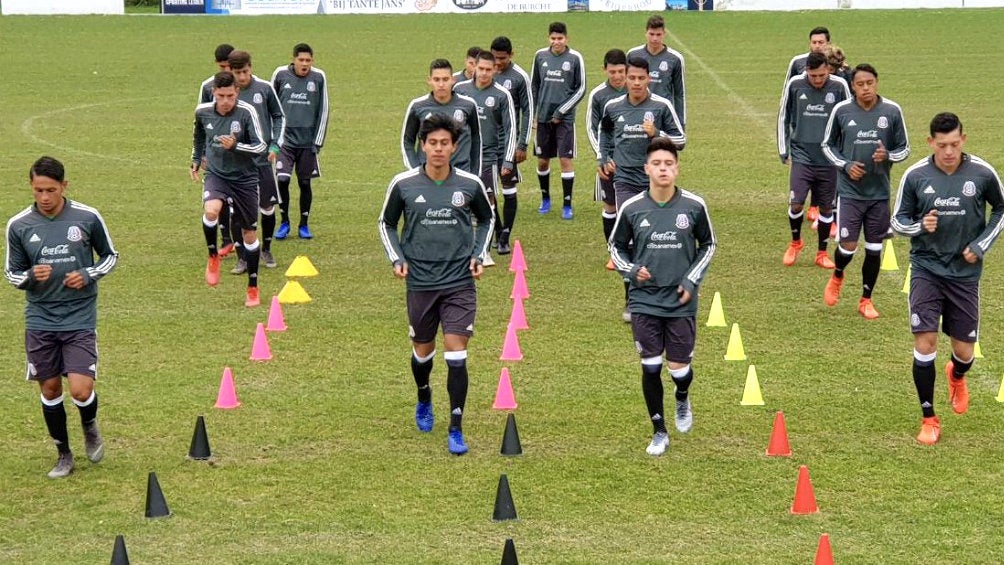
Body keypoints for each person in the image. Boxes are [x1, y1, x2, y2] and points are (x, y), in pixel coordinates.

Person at [378, 114, 494, 456]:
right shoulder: (404, 184)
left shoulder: (470, 185)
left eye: (445, 143)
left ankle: (456, 427)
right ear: (423, 147)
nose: (439, 149)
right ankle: (424, 395)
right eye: (433, 143)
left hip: (459, 282)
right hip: (421, 283)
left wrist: (478, 253)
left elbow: (487, 219)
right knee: (422, 352)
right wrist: (397, 258)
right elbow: (386, 224)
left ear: (454, 147)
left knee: (457, 353)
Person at [891, 112, 1004, 445]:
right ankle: (929, 417)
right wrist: (918, 226)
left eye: (955, 144)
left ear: (963, 140)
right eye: (943, 145)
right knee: (925, 342)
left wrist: (981, 244)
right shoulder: (916, 176)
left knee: (965, 351)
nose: (950, 151)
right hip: (926, 268)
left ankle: (957, 375)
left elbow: (1001, 209)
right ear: (931, 143)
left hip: (965, 274)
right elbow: (898, 221)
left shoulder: (982, 174)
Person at [5, 156, 118, 478]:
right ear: (31, 186)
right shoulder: (19, 225)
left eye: (51, 190)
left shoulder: (87, 217)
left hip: (79, 317)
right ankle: (63, 453)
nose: (44, 197)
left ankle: (89, 426)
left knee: (81, 390)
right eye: (38, 190)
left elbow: (110, 256)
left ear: (63, 187)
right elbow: (11, 273)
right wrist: (29, 276)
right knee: (51, 389)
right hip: (40, 319)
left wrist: (88, 273)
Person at [609, 138, 716, 456]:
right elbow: (615, 247)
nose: (663, 169)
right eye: (657, 164)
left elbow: (708, 245)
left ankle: (682, 396)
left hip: (681, 301)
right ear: (647, 169)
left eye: (668, 164)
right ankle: (659, 431)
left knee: (678, 369)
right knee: (651, 366)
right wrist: (631, 270)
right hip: (644, 301)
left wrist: (691, 279)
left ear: (677, 168)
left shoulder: (694, 206)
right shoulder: (632, 208)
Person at [600, 57, 686, 322]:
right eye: (632, 78)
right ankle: (632, 299)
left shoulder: (661, 106)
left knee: (656, 239)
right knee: (628, 240)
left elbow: (681, 141)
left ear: (649, 79)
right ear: (625, 78)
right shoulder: (613, 106)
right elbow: (604, 132)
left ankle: (661, 295)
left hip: (655, 184)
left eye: (641, 78)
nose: (636, 83)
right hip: (624, 180)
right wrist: (604, 157)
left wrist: (656, 134)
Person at [822, 63, 910, 318]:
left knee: (874, 249)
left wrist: (889, 155)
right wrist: (846, 165)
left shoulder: (892, 111)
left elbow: (905, 148)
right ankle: (838, 274)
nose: (866, 88)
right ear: (852, 86)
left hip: (878, 194)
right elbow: (827, 146)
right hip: (849, 192)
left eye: (869, 83)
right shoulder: (842, 110)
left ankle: (865, 299)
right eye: (860, 84)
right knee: (848, 247)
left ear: (877, 82)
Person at [191, 71, 268, 307]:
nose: (226, 101)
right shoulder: (203, 112)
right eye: (222, 96)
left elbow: (261, 146)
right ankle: (213, 255)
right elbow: (199, 137)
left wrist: (236, 146)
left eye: (231, 96)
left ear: (237, 93)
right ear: (214, 92)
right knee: (211, 211)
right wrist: (196, 158)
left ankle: (253, 287)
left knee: (250, 235)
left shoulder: (247, 112)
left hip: (245, 179)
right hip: (217, 174)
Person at [777, 52, 850, 269]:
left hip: (829, 158)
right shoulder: (795, 84)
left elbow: (850, 117)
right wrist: (784, 149)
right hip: (802, 155)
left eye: (821, 75)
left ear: (828, 69)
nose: (817, 80)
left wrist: (846, 155)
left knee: (827, 209)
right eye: (813, 76)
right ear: (806, 72)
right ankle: (795, 242)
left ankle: (821, 253)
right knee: (796, 201)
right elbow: (783, 116)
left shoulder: (839, 87)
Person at [454, 51, 516, 268]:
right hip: (461, 157)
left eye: (489, 70)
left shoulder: (501, 95)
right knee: (458, 202)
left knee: (487, 204)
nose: (484, 73)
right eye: (481, 69)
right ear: (474, 68)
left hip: (488, 157)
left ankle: (485, 250)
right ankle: (459, 249)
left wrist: (508, 160)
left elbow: (510, 129)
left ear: (495, 70)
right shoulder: (459, 90)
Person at [227, 50, 286, 273]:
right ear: (230, 71)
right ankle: (242, 257)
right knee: (236, 210)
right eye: (237, 72)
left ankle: (267, 249)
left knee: (267, 206)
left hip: (262, 159)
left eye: (245, 71)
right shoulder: (228, 93)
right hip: (236, 162)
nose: (241, 77)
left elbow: (279, 116)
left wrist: (275, 145)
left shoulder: (264, 88)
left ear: (251, 67)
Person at [270, 43, 329, 240]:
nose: (305, 64)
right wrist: (273, 139)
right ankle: (284, 221)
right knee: (282, 180)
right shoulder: (280, 74)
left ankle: (304, 224)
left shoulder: (318, 77)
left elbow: (324, 110)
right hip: (284, 141)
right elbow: (271, 107)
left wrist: (317, 142)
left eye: (308, 60)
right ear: (294, 59)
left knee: (304, 183)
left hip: (307, 142)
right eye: (301, 60)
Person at [530, 21, 586, 220]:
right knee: (543, 161)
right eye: (553, 38)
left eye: (560, 38)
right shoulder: (540, 56)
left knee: (565, 160)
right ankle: (545, 199)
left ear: (566, 39)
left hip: (565, 120)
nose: (556, 42)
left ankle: (567, 205)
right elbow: (534, 86)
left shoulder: (575, 58)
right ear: (549, 38)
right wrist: (533, 115)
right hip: (543, 118)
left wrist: (561, 112)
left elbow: (581, 89)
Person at [490, 36, 534, 255]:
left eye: (502, 59)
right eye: (495, 58)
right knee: (488, 190)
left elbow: (528, 111)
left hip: (508, 143)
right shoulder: (485, 73)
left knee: (508, 188)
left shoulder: (519, 77)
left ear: (511, 55)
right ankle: (497, 230)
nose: (498, 63)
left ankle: (505, 235)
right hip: (486, 144)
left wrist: (523, 144)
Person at [402, 59, 482, 176]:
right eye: (436, 79)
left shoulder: (468, 105)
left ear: (453, 80)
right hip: (428, 175)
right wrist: (416, 171)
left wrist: (475, 173)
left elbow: (476, 139)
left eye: (445, 79)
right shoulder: (417, 106)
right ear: (429, 80)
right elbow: (407, 141)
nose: (441, 84)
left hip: (461, 173)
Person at [197, 43, 238, 258]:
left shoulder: (242, 84)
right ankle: (226, 239)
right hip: (215, 151)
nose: (226, 72)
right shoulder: (207, 87)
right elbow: (200, 121)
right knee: (217, 196)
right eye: (222, 67)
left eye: (229, 67)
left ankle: (241, 240)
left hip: (240, 151)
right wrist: (201, 153)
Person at [586, 48, 627, 259]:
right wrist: (602, 157)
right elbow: (592, 128)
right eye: (612, 72)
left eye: (621, 71)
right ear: (604, 70)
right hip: (608, 161)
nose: (617, 76)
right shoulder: (598, 95)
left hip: (633, 161)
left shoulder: (637, 90)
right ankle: (613, 251)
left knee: (633, 205)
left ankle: (632, 250)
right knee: (610, 204)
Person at [627, 14, 686, 130]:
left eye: (658, 34)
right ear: (646, 33)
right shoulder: (633, 54)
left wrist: (680, 123)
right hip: (637, 112)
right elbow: (626, 86)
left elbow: (679, 94)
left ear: (664, 34)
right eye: (651, 34)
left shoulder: (675, 58)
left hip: (663, 114)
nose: (655, 38)